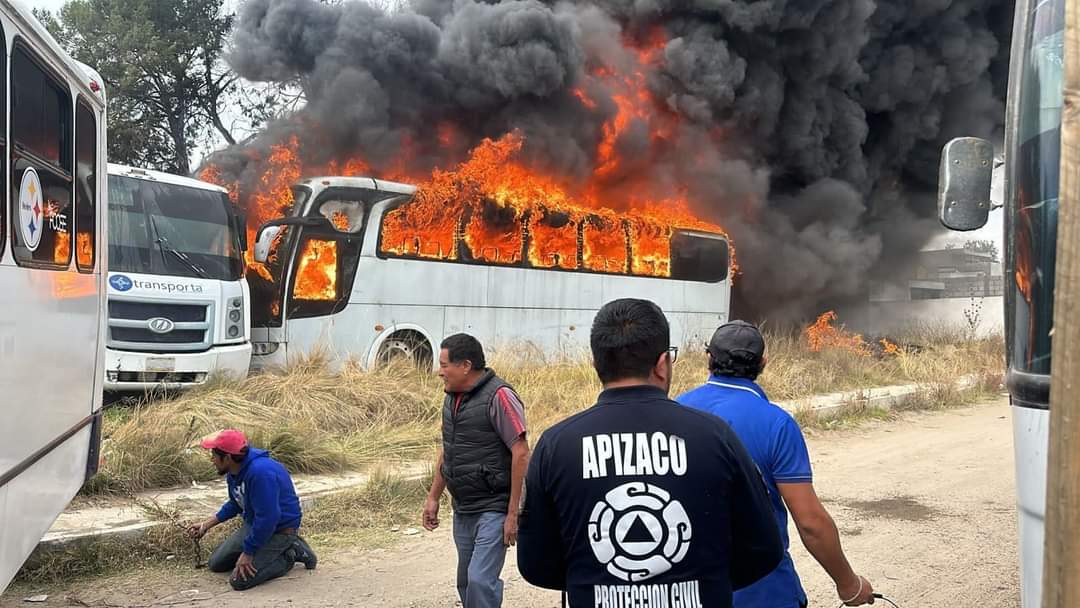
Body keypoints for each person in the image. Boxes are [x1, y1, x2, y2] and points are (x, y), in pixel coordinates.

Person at [516, 299, 784, 607]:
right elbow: (764, 549)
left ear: (595, 363)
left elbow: (536, 564)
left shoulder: (556, 445)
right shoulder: (716, 436)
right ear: (661, 364)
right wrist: (708, 583)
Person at [677, 320, 875, 607]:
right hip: (763, 592)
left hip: (689, 591)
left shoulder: (677, 410)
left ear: (709, 358)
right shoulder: (777, 424)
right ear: (763, 363)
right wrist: (849, 584)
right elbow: (810, 523)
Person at [422, 334, 530, 608]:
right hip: (464, 507)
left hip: (493, 507)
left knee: (480, 580)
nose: (439, 372)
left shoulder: (500, 396)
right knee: (466, 582)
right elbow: (450, 450)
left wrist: (513, 513)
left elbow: (521, 453)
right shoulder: (451, 398)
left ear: (466, 365)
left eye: (445, 365)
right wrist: (434, 496)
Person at [186, 429, 317, 591]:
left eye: (214, 455)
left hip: (280, 530)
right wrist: (206, 524)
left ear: (227, 457)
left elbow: (269, 518)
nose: (212, 460)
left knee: (239, 580)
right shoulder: (234, 471)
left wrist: (248, 552)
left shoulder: (260, 473)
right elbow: (236, 503)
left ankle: (291, 552)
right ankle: (269, 550)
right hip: (256, 525)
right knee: (216, 564)